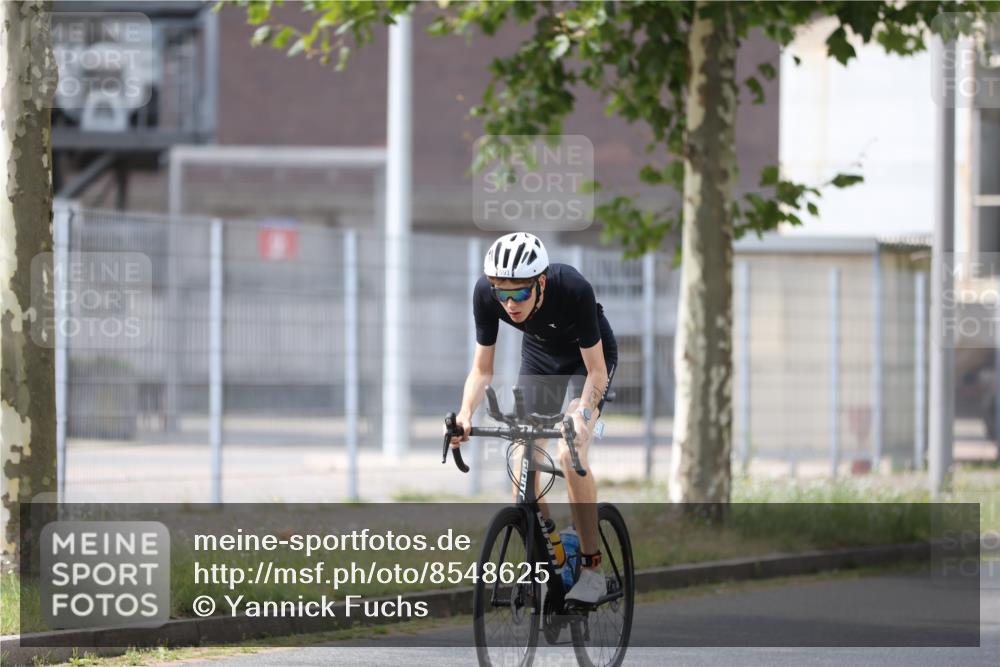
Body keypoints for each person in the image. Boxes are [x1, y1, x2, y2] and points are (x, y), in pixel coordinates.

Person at [448, 232, 618, 605]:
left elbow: (597, 372)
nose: (509, 304)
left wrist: (582, 415)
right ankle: (549, 560)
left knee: (568, 452)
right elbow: (482, 369)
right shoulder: (484, 294)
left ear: (540, 282)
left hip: (585, 362)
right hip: (541, 359)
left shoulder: (573, 288)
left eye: (519, 294)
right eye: (501, 294)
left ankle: (592, 568)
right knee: (520, 457)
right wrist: (464, 415)